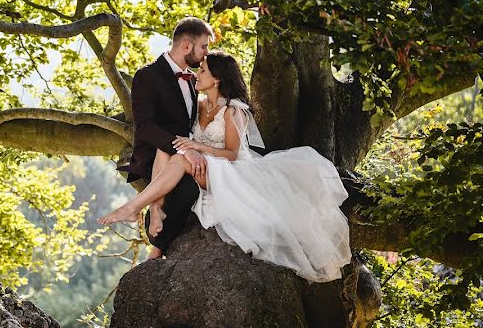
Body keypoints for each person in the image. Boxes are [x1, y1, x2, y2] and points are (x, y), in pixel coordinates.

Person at [101, 51, 351, 282]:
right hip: (202, 167)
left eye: (203, 71)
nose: (197, 75)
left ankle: (132, 208)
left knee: (179, 157)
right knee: (166, 149)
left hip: (231, 170)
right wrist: (189, 148)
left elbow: (232, 154)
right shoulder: (197, 106)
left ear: (217, 79)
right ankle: (155, 210)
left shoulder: (234, 110)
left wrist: (198, 149)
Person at [115, 17, 214, 260]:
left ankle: (156, 209)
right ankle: (157, 244)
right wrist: (183, 150)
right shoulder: (147, 75)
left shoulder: (192, 80)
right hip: (154, 156)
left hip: (185, 154)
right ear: (186, 46)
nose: (206, 54)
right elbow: (146, 127)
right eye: (203, 46)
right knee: (189, 190)